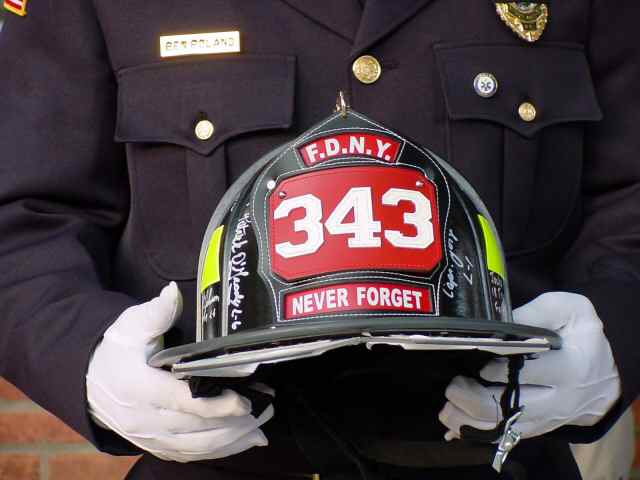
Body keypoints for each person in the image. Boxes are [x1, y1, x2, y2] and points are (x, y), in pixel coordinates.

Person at [0, 1, 638, 479]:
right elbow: (24, 219)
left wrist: (616, 334)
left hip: (502, 459)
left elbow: (627, 196)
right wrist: (87, 359)